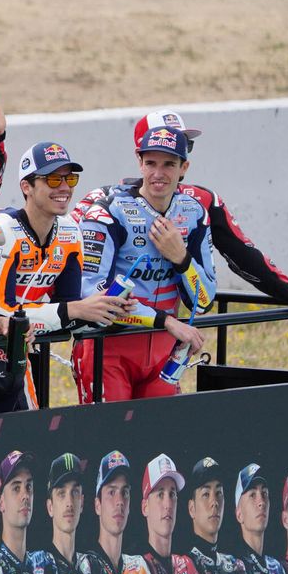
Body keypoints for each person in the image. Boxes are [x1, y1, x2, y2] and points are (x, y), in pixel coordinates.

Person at [0, 142, 134, 417]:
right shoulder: (0, 232)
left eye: (70, 178)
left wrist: (101, 310)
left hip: (19, 353)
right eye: (53, 178)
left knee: (23, 452)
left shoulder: (70, 232)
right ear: (26, 187)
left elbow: (68, 313)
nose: (64, 187)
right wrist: (76, 310)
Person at [78, 110, 288, 310]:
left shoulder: (202, 202)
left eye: (186, 144)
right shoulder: (105, 201)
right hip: (111, 337)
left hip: (165, 334)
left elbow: (243, 254)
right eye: (155, 155)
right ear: (140, 155)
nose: (178, 147)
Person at [72, 126, 213, 403]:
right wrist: (164, 320)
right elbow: (93, 294)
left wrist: (181, 259)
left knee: (159, 442)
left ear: (184, 167)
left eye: (169, 164)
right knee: (109, 442)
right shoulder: (108, 211)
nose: (158, 174)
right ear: (139, 162)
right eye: (150, 163)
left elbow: (205, 300)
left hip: (164, 352)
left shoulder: (194, 213)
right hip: (108, 347)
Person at [76, 451, 162, 574]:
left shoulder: (138, 567)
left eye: (125, 492)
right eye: (111, 492)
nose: (119, 501)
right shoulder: (85, 567)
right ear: (97, 505)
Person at [180, 456, 259, 574]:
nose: (214, 502)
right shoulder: (182, 568)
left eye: (219, 493)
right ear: (191, 508)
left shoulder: (236, 566)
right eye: (205, 494)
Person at [139, 454, 214, 574]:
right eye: (160, 494)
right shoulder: (138, 567)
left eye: (172, 494)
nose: (168, 504)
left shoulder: (186, 565)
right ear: (145, 507)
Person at [29, 454, 91, 574]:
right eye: (61, 493)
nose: (69, 502)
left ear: (82, 502)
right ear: (50, 507)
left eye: (75, 492)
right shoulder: (37, 568)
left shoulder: (93, 567)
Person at [232, 464, 286, 574]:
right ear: (239, 513)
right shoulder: (232, 567)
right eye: (252, 495)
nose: (261, 502)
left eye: (265, 494)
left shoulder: (277, 568)